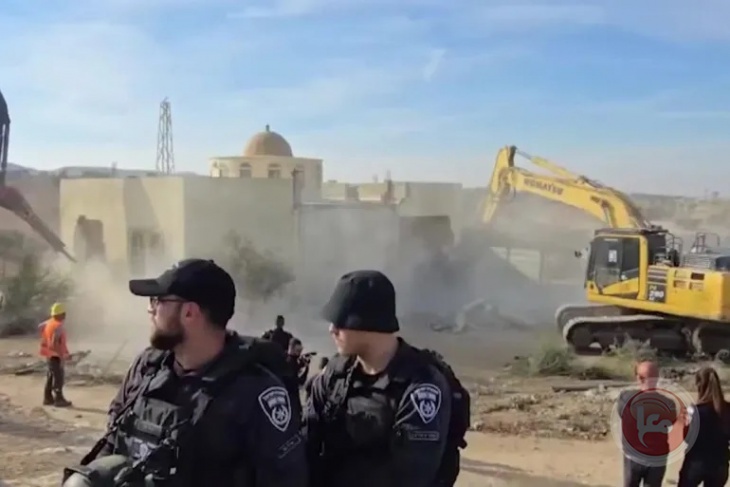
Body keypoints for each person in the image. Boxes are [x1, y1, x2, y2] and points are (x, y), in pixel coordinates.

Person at [63, 258, 307, 487]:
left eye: (158, 301)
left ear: (189, 312)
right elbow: (116, 442)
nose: (151, 310)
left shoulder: (256, 392)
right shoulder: (147, 368)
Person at [305, 270, 470, 487]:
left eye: (340, 322)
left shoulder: (421, 387)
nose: (331, 330)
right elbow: (305, 446)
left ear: (366, 322)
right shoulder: (335, 375)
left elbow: (412, 476)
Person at [617, 360, 675, 487]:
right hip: (657, 458)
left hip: (632, 456)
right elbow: (671, 422)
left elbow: (621, 413)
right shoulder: (669, 404)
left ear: (639, 378)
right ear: (658, 378)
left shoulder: (625, 398)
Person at [678, 366, 730, 487]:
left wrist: (683, 423)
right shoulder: (727, 409)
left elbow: (687, 439)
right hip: (720, 463)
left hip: (697, 462)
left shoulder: (693, 410)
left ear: (699, 385)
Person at [39, 302, 72, 407]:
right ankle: (59, 399)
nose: (65, 316)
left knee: (51, 375)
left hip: (48, 354)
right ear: (61, 314)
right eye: (64, 313)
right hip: (55, 355)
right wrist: (62, 357)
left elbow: (40, 326)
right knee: (58, 377)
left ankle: (47, 398)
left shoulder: (49, 323)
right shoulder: (58, 326)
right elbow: (55, 343)